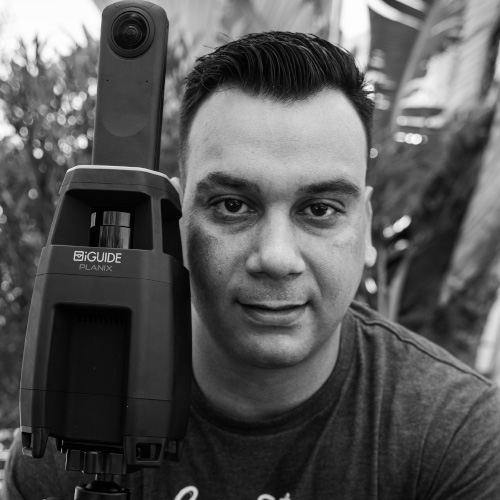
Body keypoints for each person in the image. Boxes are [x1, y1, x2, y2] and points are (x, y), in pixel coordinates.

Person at [4, 31, 500, 500]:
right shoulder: (71, 421)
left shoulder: (456, 438)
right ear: (172, 221)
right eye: (233, 205)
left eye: (320, 209)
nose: (277, 258)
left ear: (365, 225)